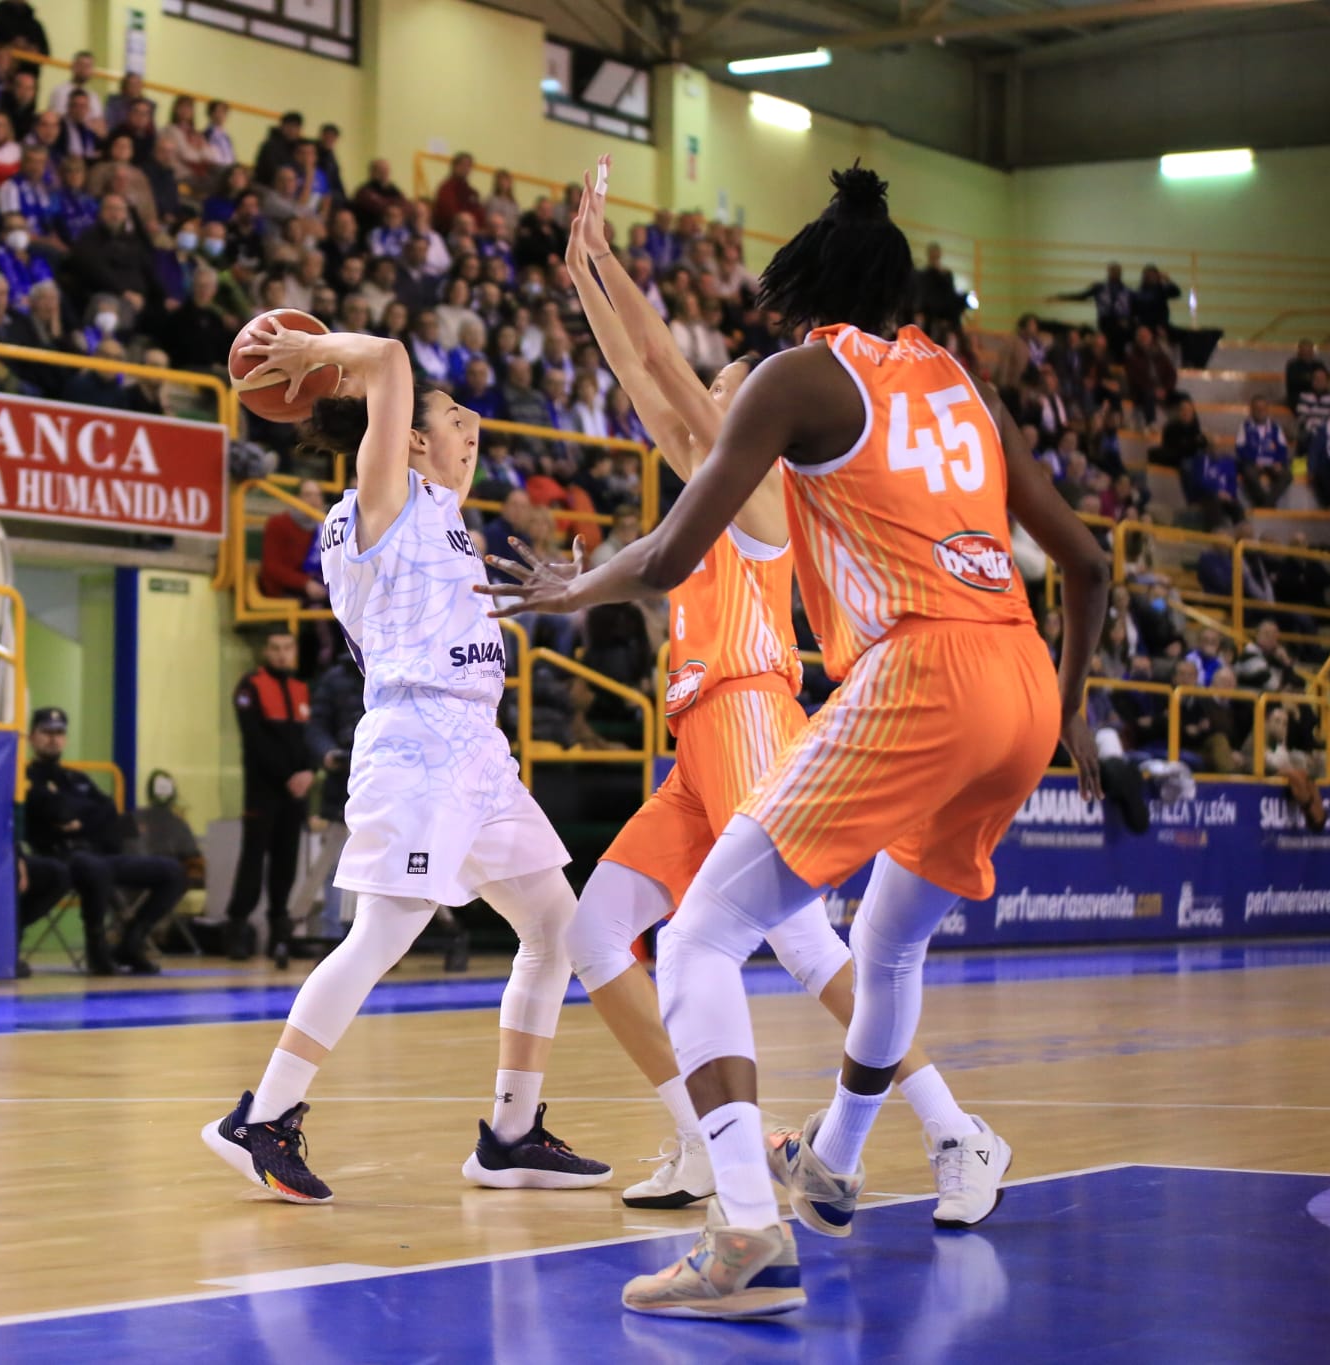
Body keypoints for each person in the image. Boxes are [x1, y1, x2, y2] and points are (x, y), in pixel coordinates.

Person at [482, 166, 1106, 1319]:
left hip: (812, 692)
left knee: (724, 941)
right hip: (1012, 673)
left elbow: (667, 408)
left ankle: (756, 1222)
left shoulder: (789, 409)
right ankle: (829, 1148)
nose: (725, 379)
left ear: (804, 291)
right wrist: (586, 277)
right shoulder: (956, 386)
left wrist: (604, 271)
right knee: (844, 945)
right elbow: (1085, 563)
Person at [556, 158, 994, 1225]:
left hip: (750, 705)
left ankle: (951, 1128)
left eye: (724, 385)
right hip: (695, 737)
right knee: (594, 930)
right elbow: (649, 380)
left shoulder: (755, 476)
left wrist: (604, 263)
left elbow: (656, 365)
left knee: (803, 942)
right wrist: (586, 281)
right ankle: (714, 1138)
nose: (707, 392)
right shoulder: (706, 462)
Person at [201, 317, 611, 1205]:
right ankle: (261, 1117)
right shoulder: (375, 505)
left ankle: (510, 1133)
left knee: (556, 930)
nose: (475, 425)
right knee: (383, 934)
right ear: (412, 437)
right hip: (418, 744)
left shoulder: (448, 519)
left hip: (478, 752)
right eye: (458, 412)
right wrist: (323, 359)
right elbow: (387, 359)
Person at [22, 706, 181, 976]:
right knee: (94, 868)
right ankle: (98, 950)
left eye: (59, 732)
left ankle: (131, 942)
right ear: (32, 737)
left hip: (99, 854)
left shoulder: (76, 778)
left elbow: (110, 814)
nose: (53, 738)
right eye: (46, 732)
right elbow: (54, 811)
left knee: (173, 871)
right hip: (60, 857)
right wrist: (86, 814)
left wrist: (79, 819)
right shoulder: (26, 778)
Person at [218, 629, 313, 967]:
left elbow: (307, 740)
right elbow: (255, 741)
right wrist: (289, 776)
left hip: (295, 792)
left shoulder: (302, 689)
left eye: (287, 648)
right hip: (263, 790)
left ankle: (278, 934)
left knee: (286, 863)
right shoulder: (250, 687)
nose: (281, 655)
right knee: (253, 861)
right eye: (275, 648)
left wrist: (308, 772)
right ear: (265, 651)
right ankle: (238, 929)